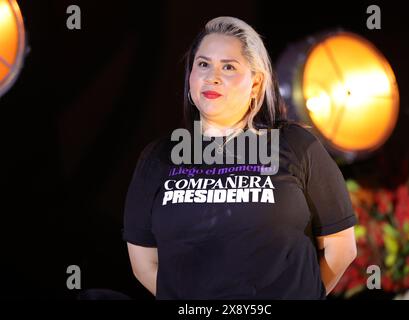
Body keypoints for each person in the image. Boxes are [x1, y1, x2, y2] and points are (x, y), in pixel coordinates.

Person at [122, 16, 357, 300]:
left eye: (229, 67)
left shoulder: (296, 146)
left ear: (256, 83)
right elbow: (143, 263)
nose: (213, 76)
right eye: (203, 64)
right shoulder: (158, 157)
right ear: (190, 76)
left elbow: (341, 247)